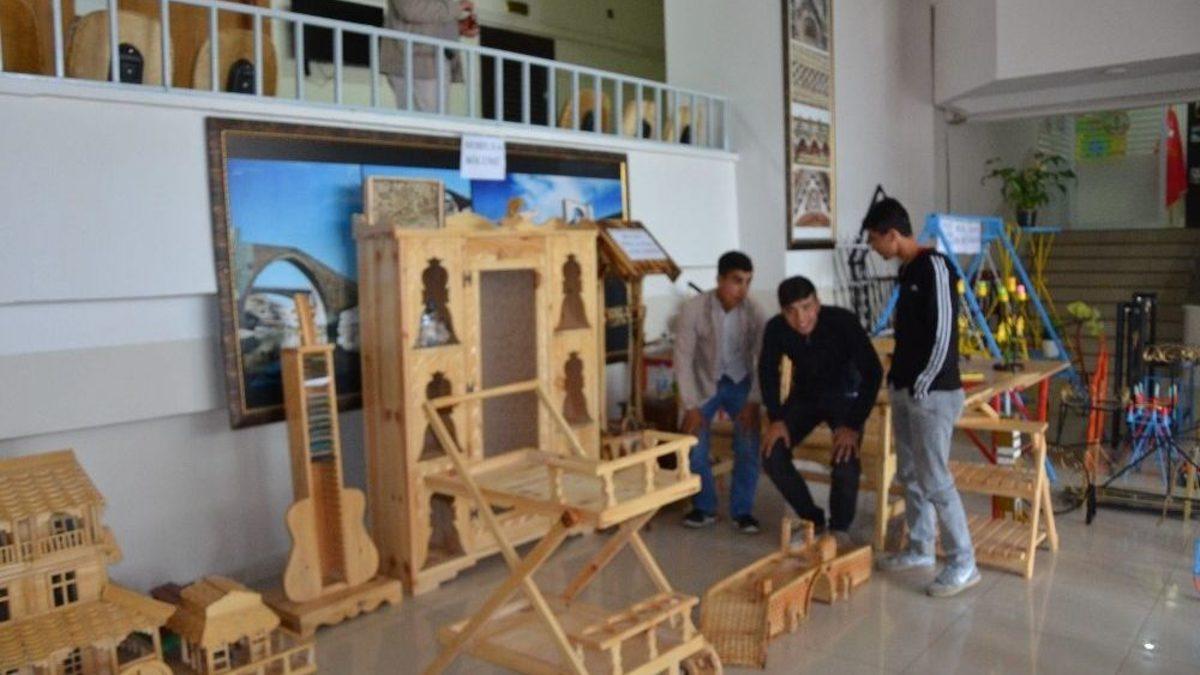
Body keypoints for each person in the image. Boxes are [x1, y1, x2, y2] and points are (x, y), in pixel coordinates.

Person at [862, 196, 980, 598]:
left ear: (893, 235)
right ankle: (921, 547)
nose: (874, 248)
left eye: (875, 240)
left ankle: (964, 562)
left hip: (934, 394)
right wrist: (897, 381)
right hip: (907, 390)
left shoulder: (935, 268)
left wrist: (924, 382)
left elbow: (944, 332)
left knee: (935, 479)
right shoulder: (907, 270)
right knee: (910, 473)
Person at [758, 276, 882, 546]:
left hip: (845, 395)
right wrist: (776, 419)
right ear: (783, 312)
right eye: (791, 311)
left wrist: (853, 424)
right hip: (805, 397)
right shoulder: (776, 328)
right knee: (772, 453)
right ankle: (812, 520)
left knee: (845, 458)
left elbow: (873, 372)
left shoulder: (842, 321)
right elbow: (767, 372)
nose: (801, 318)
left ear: (817, 303)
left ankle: (839, 528)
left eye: (806, 307)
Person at [674, 251, 767, 533]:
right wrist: (690, 405)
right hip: (704, 384)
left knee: (748, 444)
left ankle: (742, 511)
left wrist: (753, 400)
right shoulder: (694, 309)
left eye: (748, 282)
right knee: (694, 445)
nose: (743, 289)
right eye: (737, 281)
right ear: (719, 280)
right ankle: (704, 508)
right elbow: (682, 359)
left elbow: (763, 361)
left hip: (740, 382)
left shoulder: (754, 311)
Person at [381, 0, 479, 112]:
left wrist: (459, 27)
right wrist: (456, 7)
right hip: (416, 63)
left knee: (434, 118)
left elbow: (430, 19)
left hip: (433, 61)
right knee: (428, 119)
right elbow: (410, 9)